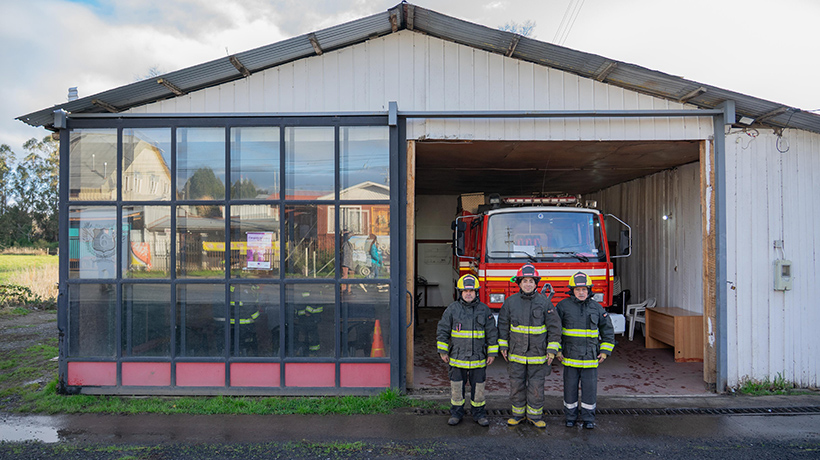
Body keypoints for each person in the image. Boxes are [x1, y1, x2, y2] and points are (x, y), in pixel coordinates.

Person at [498, 263, 561, 428]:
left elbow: (555, 328)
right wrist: (503, 347)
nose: (528, 284)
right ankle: (517, 415)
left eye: (531, 281)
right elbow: (503, 325)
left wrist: (552, 350)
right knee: (516, 386)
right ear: (519, 283)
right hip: (516, 354)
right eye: (524, 281)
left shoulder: (545, 303)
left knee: (536, 387)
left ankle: (535, 416)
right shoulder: (510, 302)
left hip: (538, 355)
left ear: (536, 283)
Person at [436, 274, 498, 427]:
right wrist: (443, 351)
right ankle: (456, 414)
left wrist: (492, 353)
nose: (468, 294)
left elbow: (492, 333)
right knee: (457, 388)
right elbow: (443, 330)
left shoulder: (484, 310)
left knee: (479, 389)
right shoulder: (452, 309)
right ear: (460, 292)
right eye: (465, 291)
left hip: (478, 358)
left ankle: (479, 415)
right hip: (457, 358)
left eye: (471, 291)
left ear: (476, 292)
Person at [556, 271, 615, 430]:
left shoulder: (597, 308)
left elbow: (607, 330)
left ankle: (589, 418)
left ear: (589, 290)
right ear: (572, 291)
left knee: (589, 390)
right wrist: (558, 350)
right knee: (570, 389)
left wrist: (604, 352)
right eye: (578, 289)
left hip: (590, 358)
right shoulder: (562, 306)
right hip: (570, 357)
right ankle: (570, 417)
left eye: (584, 289)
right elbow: (555, 330)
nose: (581, 292)